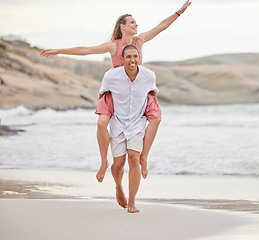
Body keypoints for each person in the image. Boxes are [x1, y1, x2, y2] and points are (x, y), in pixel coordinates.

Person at [40, 1, 192, 182]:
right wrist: (59, 51)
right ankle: (104, 162)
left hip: (137, 91)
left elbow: (161, 27)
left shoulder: (139, 41)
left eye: (136, 22)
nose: (136, 25)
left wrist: (179, 12)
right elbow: (87, 50)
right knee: (101, 123)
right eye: (132, 22)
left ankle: (144, 157)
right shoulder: (113, 46)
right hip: (116, 93)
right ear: (123, 26)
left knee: (156, 118)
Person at [100, 45, 157, 213]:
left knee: (134, 159)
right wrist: (104, 118)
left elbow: (152, 95)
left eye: (135, 56)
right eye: (129, 57)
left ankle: (132, 202)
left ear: (139, 58)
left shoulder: (148, 75)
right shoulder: (111, 76)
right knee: (118, 164)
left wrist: (151, 115)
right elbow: (103, 95)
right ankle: (118, 187)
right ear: (122, 59)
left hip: (137, 122)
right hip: (117, 123)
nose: (132, 60)